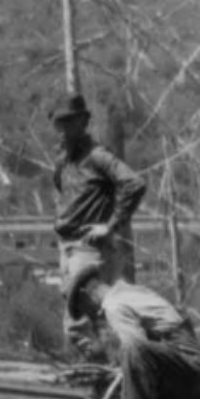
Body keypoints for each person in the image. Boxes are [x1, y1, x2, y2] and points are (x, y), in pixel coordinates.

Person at [67, 264, 200, 399]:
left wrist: (110, 375)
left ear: (85, 295)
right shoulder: (129, 291)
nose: (89, 315)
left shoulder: (114, 306)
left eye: (84, 309)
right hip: (189, 362)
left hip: (184, 361)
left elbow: (135, 349)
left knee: (131, 352)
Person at [51, 93, 147, 309]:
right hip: (67, 250)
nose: (63, 130)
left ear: (83, 123)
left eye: (69, 122)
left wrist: (111, 225)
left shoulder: (97, 156)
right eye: (59, 124)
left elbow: (134, 183)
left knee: (95, 314)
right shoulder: (63, 161)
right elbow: (63, 192)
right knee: (77, 327)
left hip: (89, 250)